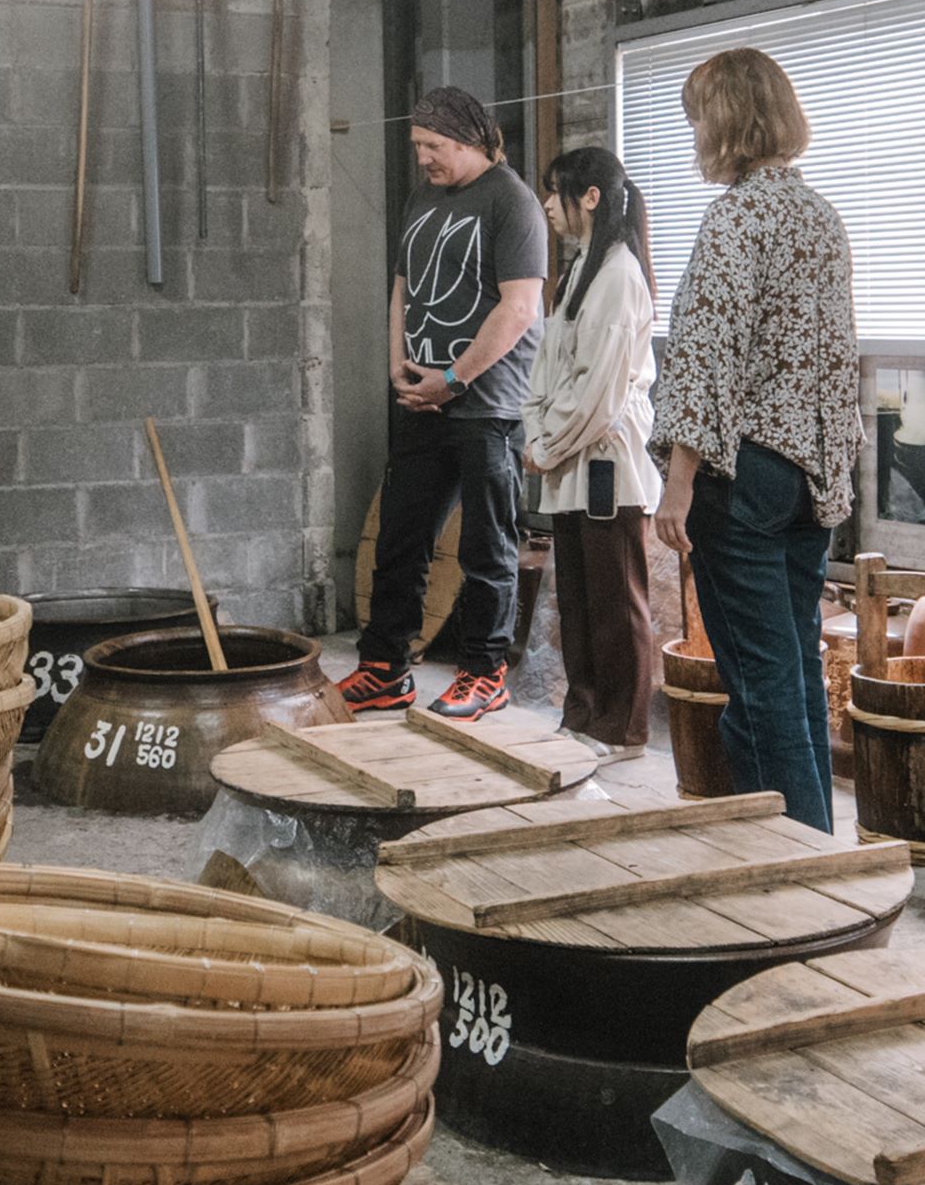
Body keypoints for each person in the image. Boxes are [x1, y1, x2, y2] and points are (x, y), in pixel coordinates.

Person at [652, 49, 859, 831]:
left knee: (759, 686)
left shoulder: (736, 217)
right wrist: (831, 474)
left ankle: (796, 869)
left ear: (728, 120)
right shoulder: (819, 215)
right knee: (794, 672)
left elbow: (706, 354)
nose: (695, 135)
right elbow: (835, 357)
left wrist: (677, 487)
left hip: (741, 479)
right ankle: (821, 845)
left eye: (698, 118)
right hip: (811, 479)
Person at [341, 86, 550, 723]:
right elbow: (402, 287)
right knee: (400, 538)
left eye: (434, 146)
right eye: (418, 146)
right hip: (421, 402)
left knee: (487, 548)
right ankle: (384, 669)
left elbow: (519, 309)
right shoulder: (423, 198)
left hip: (485, 407)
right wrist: (398, 368)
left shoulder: (512, 203)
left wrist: (452, 381)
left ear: (468, 139)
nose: (424, 157)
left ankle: (484, 674)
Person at [524, 146, 660, 751]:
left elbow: (599, 395)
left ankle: (621, 725)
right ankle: (581, 713)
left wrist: (545, 445)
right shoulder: (582, 267)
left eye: (557, 192)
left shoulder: (619, 275)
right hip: (566, 459)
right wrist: (536, 434)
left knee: (614, 600)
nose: (548, 204)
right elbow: (547, 371)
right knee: (576, 599)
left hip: (602, 460)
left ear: (591, 198)